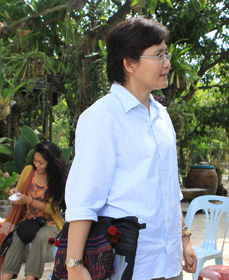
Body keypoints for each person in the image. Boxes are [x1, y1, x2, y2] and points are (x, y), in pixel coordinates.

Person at [64, 17, 196, 280]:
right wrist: (74, 264)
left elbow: (168, 188)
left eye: (166, 54)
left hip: (168, 264)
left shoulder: (161, 116)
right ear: (129, 63)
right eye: (158, 55)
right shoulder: (102, 117)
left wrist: (184, 238)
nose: (167, 63)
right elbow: (84, 200)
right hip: (127, 265)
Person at [2, 141, 67, 280]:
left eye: (41, 162)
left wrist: (28, 200)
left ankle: (30, 278)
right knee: (17, 240)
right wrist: (14, 192)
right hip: (27, 220)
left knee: (40, 239)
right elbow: (19, 189)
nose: (37, 165)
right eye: (35, 161)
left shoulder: (59, 179)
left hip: (49, 223)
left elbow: (51, 208)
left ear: (51, 162)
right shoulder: (28, 171)